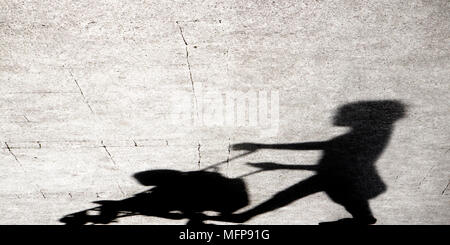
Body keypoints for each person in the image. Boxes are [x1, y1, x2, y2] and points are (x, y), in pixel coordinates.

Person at [220, 100, 406, 224]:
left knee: (286, 196)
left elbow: (320, 149)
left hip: (338, 181)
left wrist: (264, 147)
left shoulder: (365, 138)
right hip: (336, 179)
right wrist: (275, 162)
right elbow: (326, 160)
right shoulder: (372, 136)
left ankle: (245, 216)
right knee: (286, 196)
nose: (339, 118)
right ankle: (245, 216)